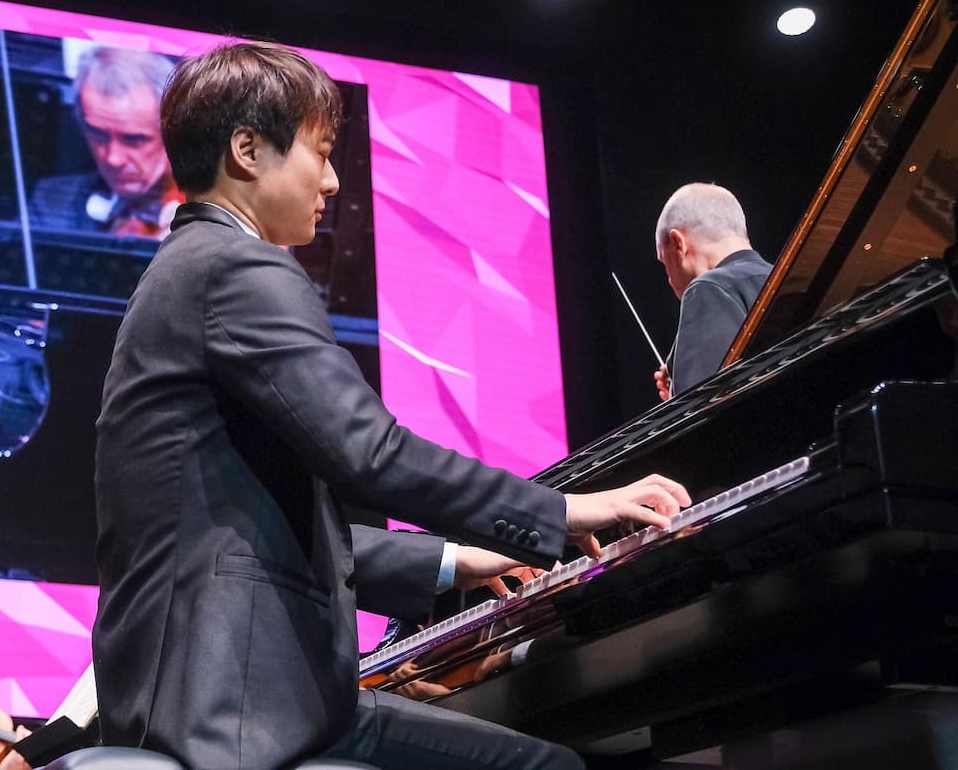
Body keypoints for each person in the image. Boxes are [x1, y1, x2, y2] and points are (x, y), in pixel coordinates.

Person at [91, 41, 691, 770]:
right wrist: (562, 512)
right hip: (240, 706)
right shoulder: (238, 268)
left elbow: (243, 529)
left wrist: (455, 560)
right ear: (248, 151)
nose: (335, 178)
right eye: (320, 150)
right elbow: (372, 453)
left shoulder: (185, 269)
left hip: (224, 690)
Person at [32, 46, 180, 238]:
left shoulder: (219, 214)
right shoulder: (52, 202)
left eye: (134, 140)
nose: (113, 159)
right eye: (98, 135)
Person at [651, 183, 774, 400]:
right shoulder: (784, 278)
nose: (670, 281)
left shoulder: (706, 289)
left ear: (678, 244)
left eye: (665, 262)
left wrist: (678, 399)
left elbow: (703, 418)